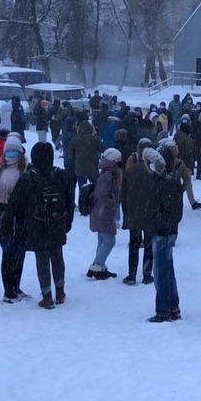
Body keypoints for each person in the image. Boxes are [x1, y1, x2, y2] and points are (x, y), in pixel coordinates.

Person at [1, 141, 74, 309]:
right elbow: (70, 201)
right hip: (58, 222)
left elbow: (15, 203)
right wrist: (67, 221)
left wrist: (7, 220)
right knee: (57, 256)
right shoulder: (61, 175)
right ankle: (60, 291)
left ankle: (47, 296)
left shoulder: (29, 177)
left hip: (36, 223)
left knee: (42, 258)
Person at [0, 136, 30, 303]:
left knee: (16, 255)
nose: (11, 154)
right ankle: (9, 291)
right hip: (11, 219)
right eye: (9, 151)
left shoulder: (2, 170)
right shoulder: (22, 170)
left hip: (12, 219)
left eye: (14, 151)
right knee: (10, 255)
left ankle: (15, 288)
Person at [146, 146, 185, 323]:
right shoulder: (168, 178)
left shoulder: (167, 181)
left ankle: (163, 310)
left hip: (163, 232)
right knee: (167, 269)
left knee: (161, 272)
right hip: (166, 231)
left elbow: (170, 211)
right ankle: (173, 306)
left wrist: (155, 222)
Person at [86, 147, 123, 280]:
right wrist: (113, 203)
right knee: (109, 241)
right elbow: (102, 194)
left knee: (102, 240)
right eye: (118, 159)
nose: (120, 161)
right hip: (104, 213)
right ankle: (96, 266)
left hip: (100, 212)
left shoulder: (106, 172)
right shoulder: (108, 175)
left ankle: (99, 266)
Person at [121, 142, 155, 286]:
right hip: (149, 213)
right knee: (149, 245)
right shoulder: (154, 173)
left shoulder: (129, 172)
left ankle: (132, 274)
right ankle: (147, 274)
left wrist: (126, 213)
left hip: (133, 213)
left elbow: (123, 195)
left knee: (134, 245)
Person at [69, 120, 102, 190]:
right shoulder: (95, 139)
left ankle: (83, 199)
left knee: (82, 189)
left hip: (80, 167)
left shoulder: (75, 139)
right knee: (95, 189)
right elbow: (103, 149)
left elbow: (70, 154)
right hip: (93, 166)